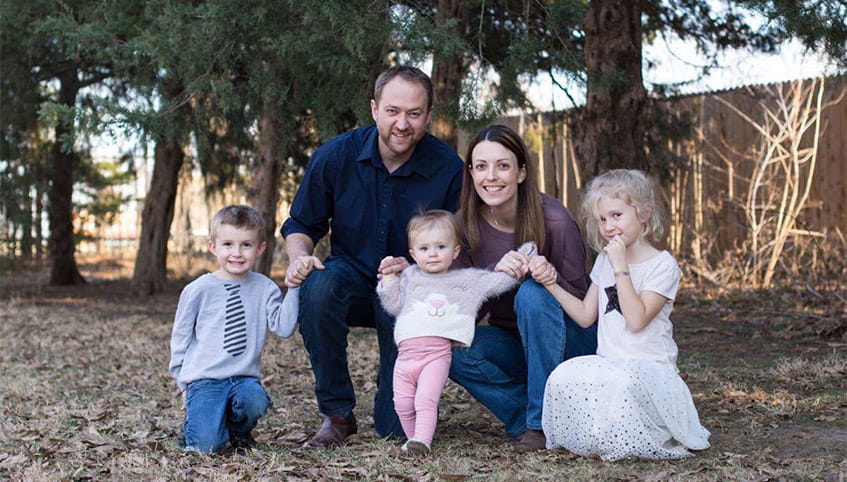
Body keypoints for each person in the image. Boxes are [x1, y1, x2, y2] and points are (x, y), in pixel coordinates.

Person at [280, 66, 464, 448]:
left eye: (414, 114)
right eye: (393, 111)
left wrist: (415, 269)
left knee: (395, 429)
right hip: (350, 281)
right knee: (317, 285)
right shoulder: (336, 156)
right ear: (375, 108)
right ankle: (337, 415)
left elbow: (463, 245)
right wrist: (300, 258)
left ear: (428, 116)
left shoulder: (448, 169)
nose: (402, 124)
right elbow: (300, 223)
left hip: (410, 291)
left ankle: (394, 405)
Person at [540, 169, 711, 460]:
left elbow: (636, 320)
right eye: (602, 219)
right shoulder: (605, 260)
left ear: (643, 214)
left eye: (616, 215)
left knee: (622, 383)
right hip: (611, 367)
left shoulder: (662, 265)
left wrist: (620, 268)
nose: (608, 226)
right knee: (561, 377)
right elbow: (584, 316)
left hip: (652, 372)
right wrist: (550, 283)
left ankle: (647, 430)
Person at [449, 124, 597, 451]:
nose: (492, 176)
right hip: (515, 343)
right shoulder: (461, 224)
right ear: (471, 173)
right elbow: (459, 316)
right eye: (482, 166)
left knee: (532, 294)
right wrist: (493, 276)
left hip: (569, 346)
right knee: (452, 353)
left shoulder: (554, 220)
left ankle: (537, 424)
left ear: (521, 173)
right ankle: (539, 422)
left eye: (503, 165)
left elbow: (584, 310)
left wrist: (546, 279)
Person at [377, 210, 535, 455]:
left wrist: (522, 257)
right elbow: (393, 304)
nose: (433, 254)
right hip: (406, 357)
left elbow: (496, 282)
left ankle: (423, 442)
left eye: (441, 247)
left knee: (425, 401)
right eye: (425, 248)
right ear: (413, 254)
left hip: (436, 356)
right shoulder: (408, 276)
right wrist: (388, 281)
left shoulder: (464, 281)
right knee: (403, 403)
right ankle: (412, 442)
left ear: (455, 252)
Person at [169, 205, 299, 454]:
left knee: (254, 401)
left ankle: (239, 432)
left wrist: (294, 288)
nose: (237, 253)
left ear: (260, 248)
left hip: (243, 378)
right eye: (227, 244)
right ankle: (196, 426)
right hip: (204, 379)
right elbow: (181, 337)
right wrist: (182, 385)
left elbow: (283, 328)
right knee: (206, 447)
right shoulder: (198, 290)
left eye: (246, 245)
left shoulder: (265, 288)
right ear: (213, 247)